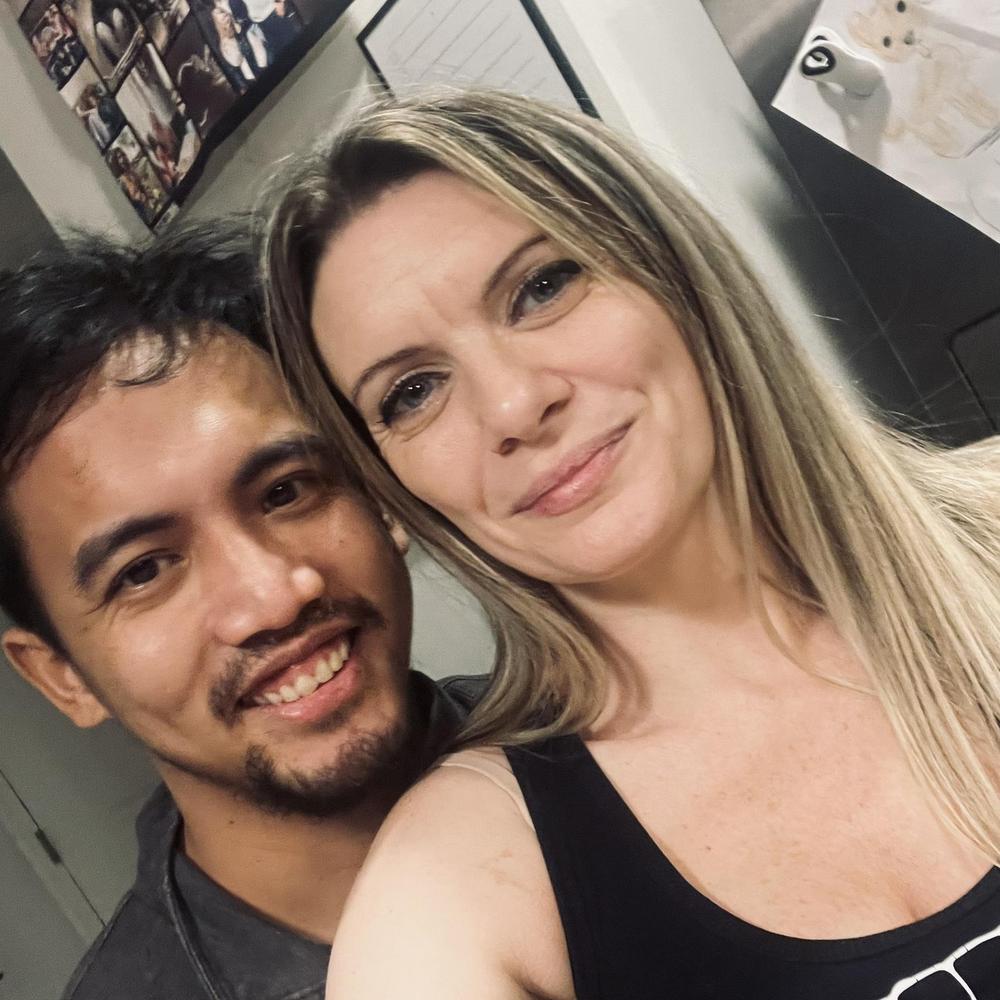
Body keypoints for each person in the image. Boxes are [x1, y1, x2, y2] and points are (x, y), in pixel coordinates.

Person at [262, 89, 1000, 999]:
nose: (514, 405)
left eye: (541, 288)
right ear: (395, 485)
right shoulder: (459, 886)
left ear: (671, 267)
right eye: (413, 392)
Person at [0, 222, 482, 1000]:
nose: (274, 594)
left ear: (377, 497)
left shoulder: (618, 733)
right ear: (63, 678)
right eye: (143, 570)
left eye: (286, 491)